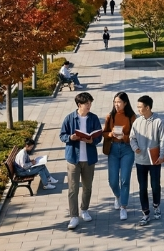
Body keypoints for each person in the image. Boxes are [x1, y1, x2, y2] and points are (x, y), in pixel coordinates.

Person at [60, 92, 103, 230]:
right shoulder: (69, 118)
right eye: (87, 104)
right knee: (73, 189)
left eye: (90, 103)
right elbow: (62, 135)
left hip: (89, 159)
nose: (89, 106)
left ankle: (84, 209)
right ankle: (74, 216)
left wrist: (92, 140)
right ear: (79, 105)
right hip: (73, 158)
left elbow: (99, 136)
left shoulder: (94, 118)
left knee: (87, 187)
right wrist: (70, 138)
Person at [131, 95, 164, 226]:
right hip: (140, 160)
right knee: (142, 187)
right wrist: (135, 147)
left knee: (155, 185)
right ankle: (145, 213)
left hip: (154, 160)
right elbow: (132, 137)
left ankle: (156, 206)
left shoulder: (158, 122)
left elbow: (163, 140)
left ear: (148, 107)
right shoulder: (136, 121)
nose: (138, 109)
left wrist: (161, 155)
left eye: (140, 107)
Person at [104, 92, 137, 220]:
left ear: (125, 103)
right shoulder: (110, 116)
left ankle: (124, 206)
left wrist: (125, 137)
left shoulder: (131, 117)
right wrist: (111, 135)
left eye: (119, 102)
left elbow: (136, 136)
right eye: (115, 102)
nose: (116, 105)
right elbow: (104, 133)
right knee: (112, 180)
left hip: (127, 149)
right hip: (113, 149)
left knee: (124, 179)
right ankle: (117, 196)